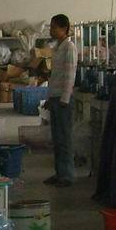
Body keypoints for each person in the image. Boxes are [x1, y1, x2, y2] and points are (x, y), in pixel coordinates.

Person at [43, 13, 77, 188]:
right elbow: (56, 75)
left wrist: (65, 98)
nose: (51, 30)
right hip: (55, 96)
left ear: (64, 28)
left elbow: (70, 74)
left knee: (64, 139)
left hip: (63, 99)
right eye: (51, 27)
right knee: (56, 138)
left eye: (54, 27)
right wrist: (50, 97)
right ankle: (60, 172)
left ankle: (67, 175)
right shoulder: (58, 47)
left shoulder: (69, 47)